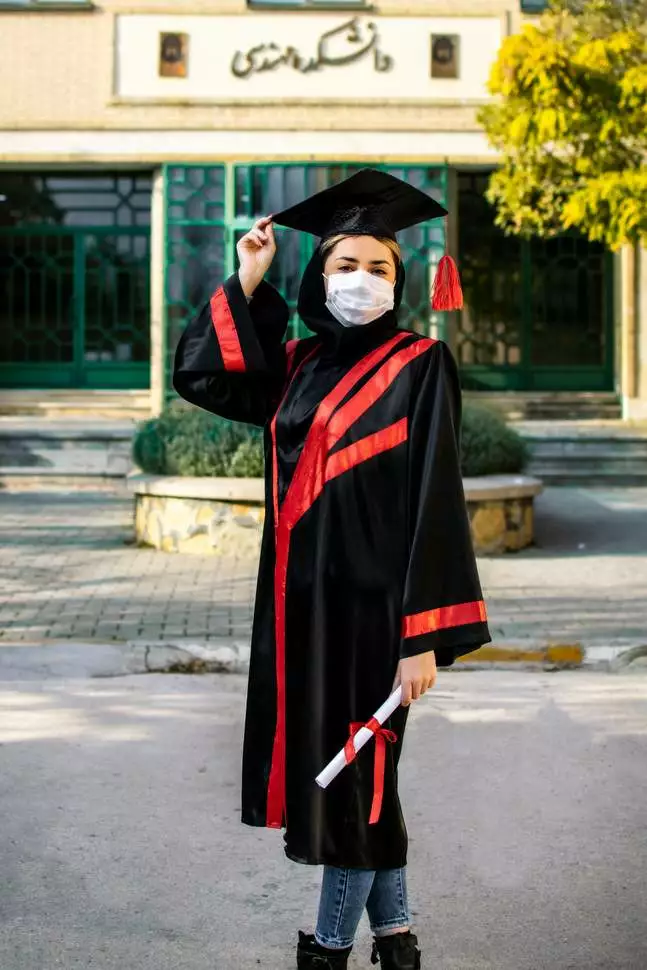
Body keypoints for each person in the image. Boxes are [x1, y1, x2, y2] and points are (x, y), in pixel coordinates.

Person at [173, 169, 491, 970]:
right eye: (345, 264)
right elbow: (205, 377)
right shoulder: (296, 363)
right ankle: (398, 943)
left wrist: (421, 636)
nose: (361, 279)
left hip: (377, 617)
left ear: (399, 280)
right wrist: (249, 276)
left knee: (353, 785)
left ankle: (326, 949)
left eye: (378, 266)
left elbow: (436, 502)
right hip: (300, 614)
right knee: (358, 783)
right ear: (319, 276)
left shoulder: (421, 364)